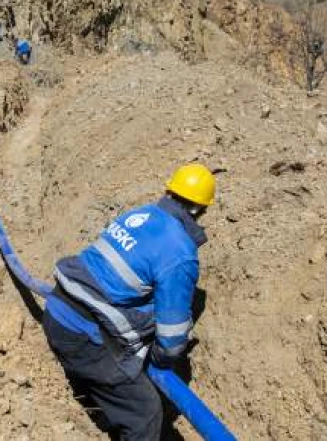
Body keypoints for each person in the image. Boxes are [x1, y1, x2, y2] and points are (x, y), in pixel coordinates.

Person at [42, 163, 216, 440]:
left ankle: (101, 396)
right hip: (84, 338)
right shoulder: (180, 253)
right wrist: (158, 360)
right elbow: (171, 341)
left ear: (169, 191)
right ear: (199, 210)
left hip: (56, 309)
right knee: (145, 412)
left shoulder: (142, 214)